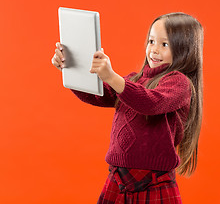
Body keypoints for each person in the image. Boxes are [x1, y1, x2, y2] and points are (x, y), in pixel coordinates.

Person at [51, 12, 203, 203]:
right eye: (151, 41)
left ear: (184, 49)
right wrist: (71, 68)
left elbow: (151, 102)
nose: (154, 50)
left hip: (154, 182)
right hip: (118, 179)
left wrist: (111, 76)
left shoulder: (180, 84)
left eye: (164, 44)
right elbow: (97, 95)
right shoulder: (134, 79)